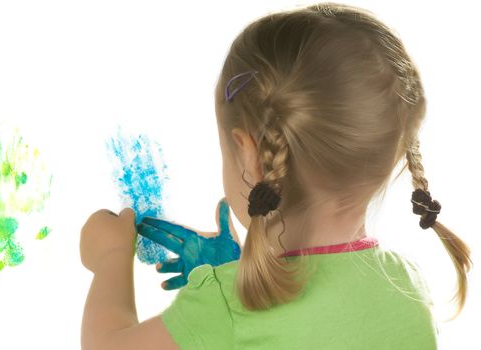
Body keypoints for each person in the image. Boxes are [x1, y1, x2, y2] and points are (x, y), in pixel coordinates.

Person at [79, 2, 473, 349]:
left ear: (251, 156)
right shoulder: (407, 286)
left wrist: (111, 257)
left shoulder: (227, 307)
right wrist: (231, 271)